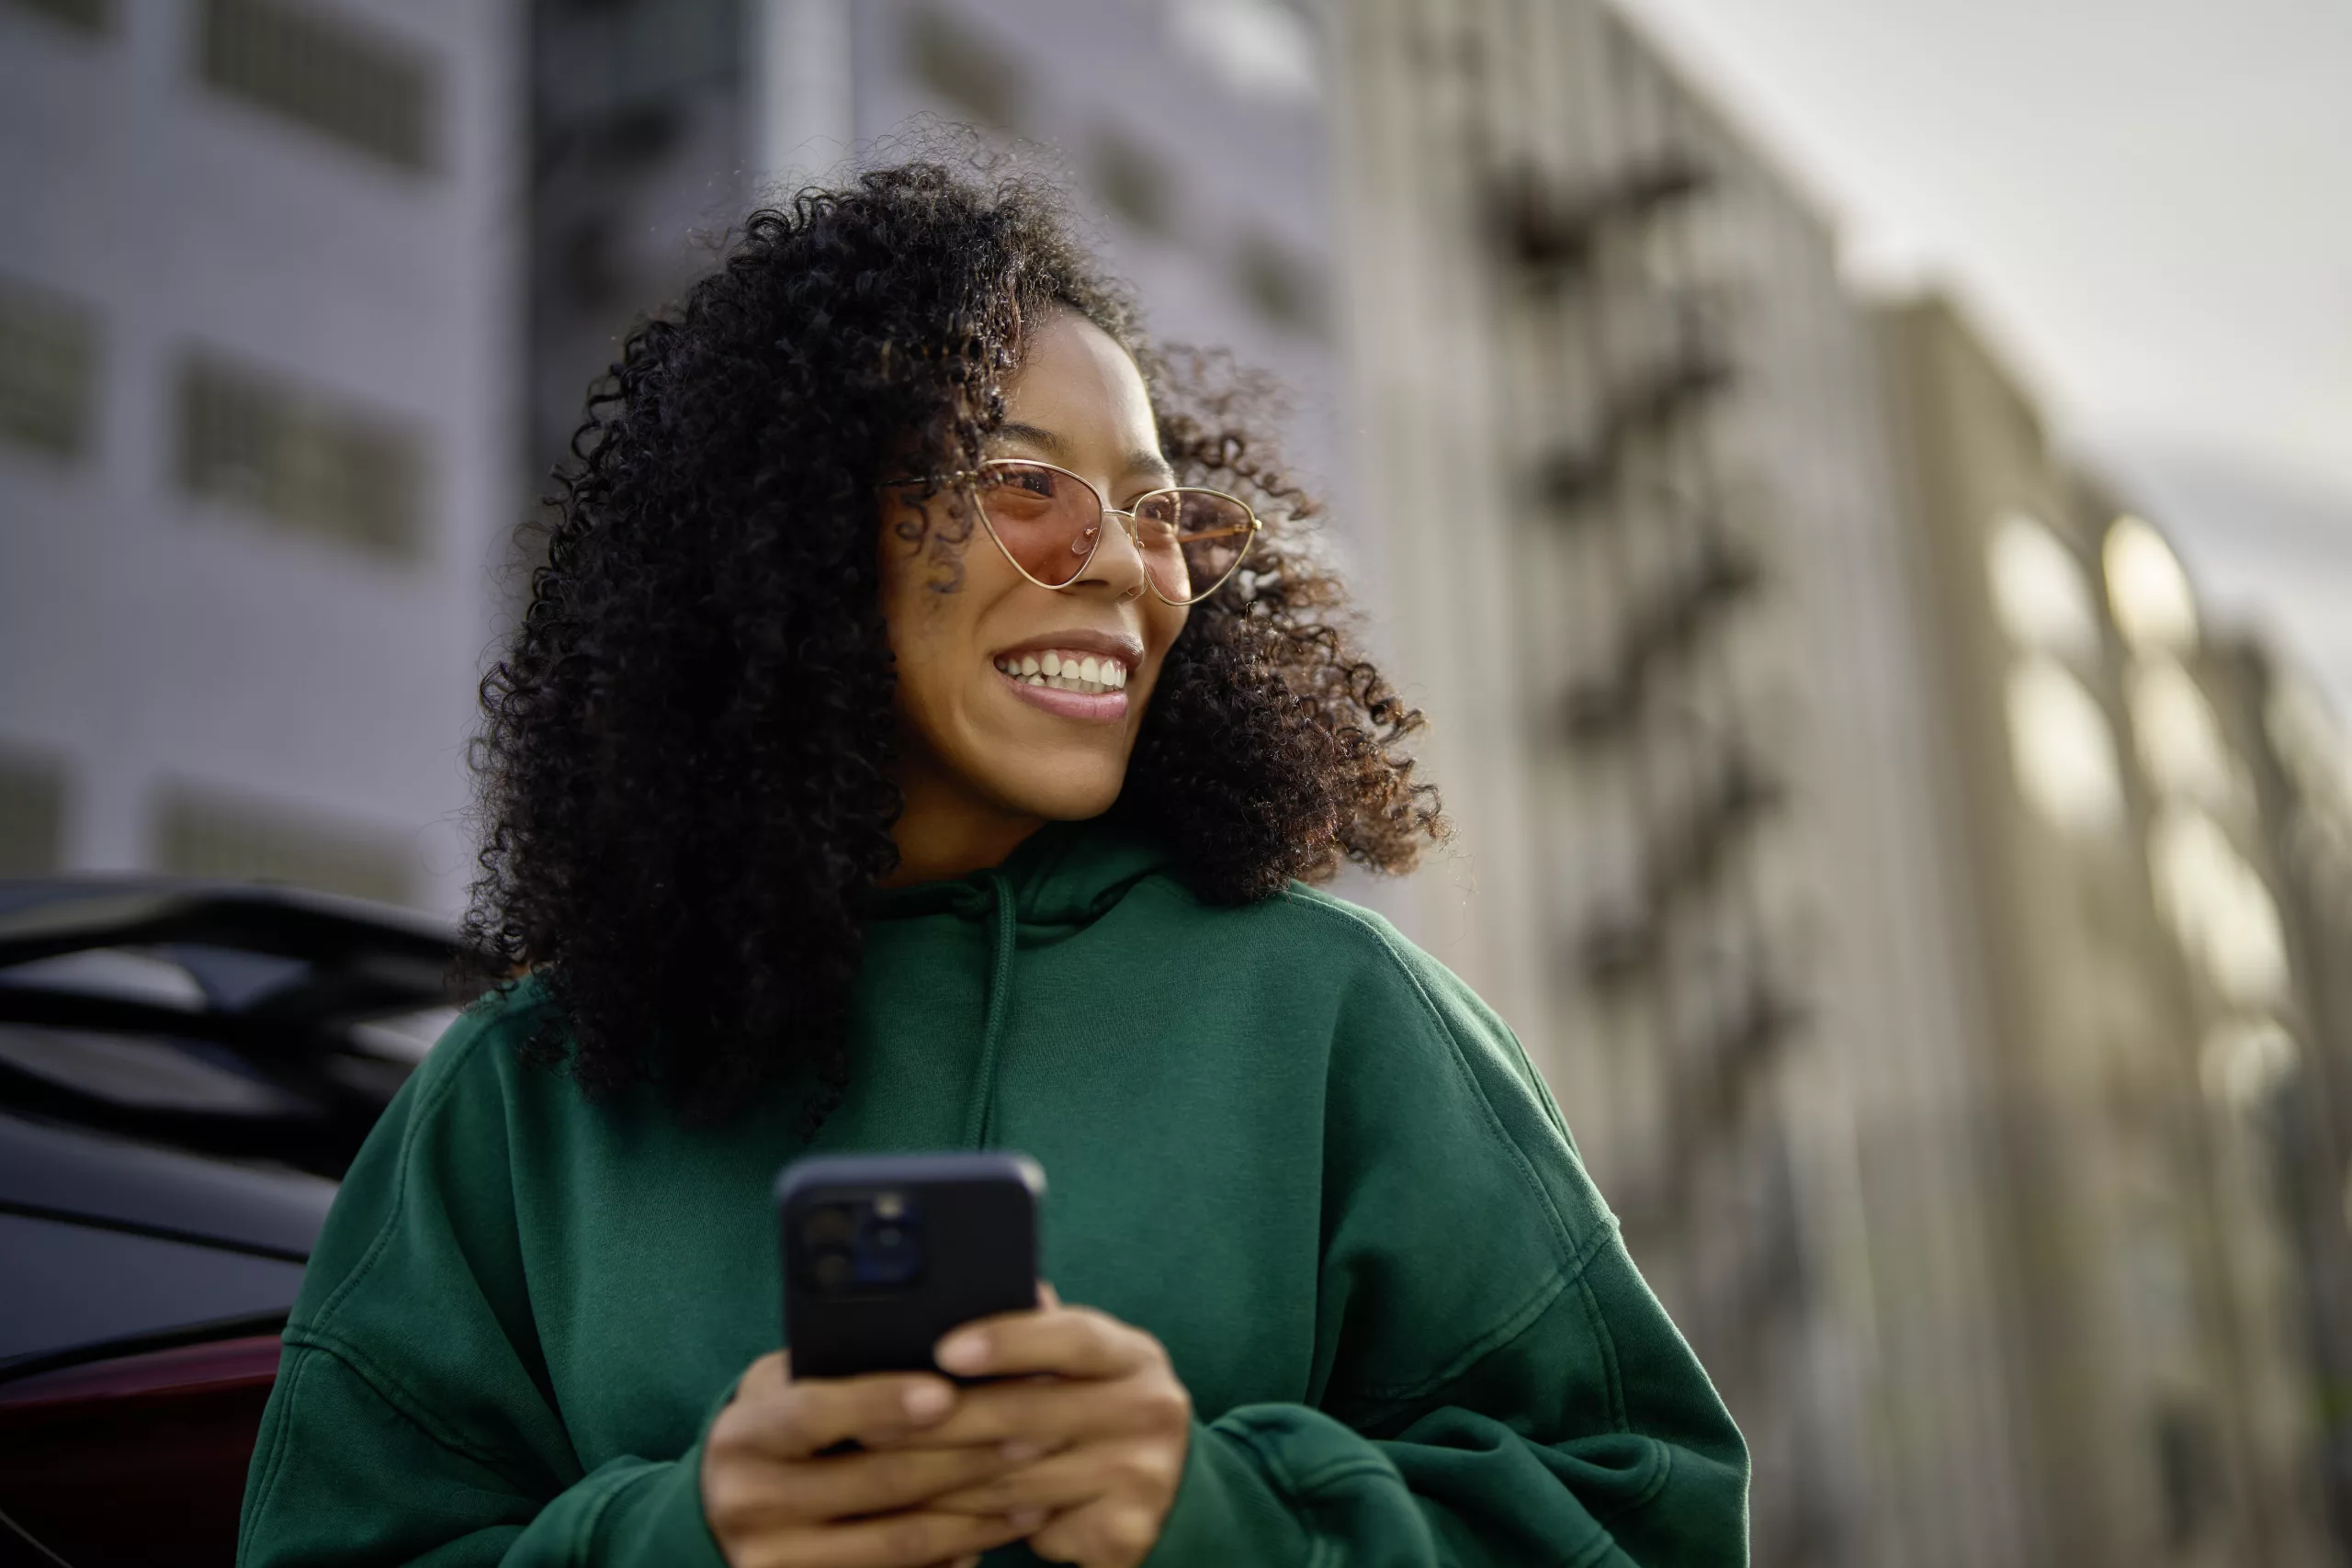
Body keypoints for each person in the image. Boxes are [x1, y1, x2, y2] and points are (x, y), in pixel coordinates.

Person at [237, 163, 1747, 1568]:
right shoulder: (525, 1096)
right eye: (1026, 483)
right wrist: (689, 1535)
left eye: (1159, 512)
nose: (1123, 566)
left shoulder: (1341, 1015)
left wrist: (1217, 1512)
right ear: (805, 534)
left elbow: (1648, 1515)